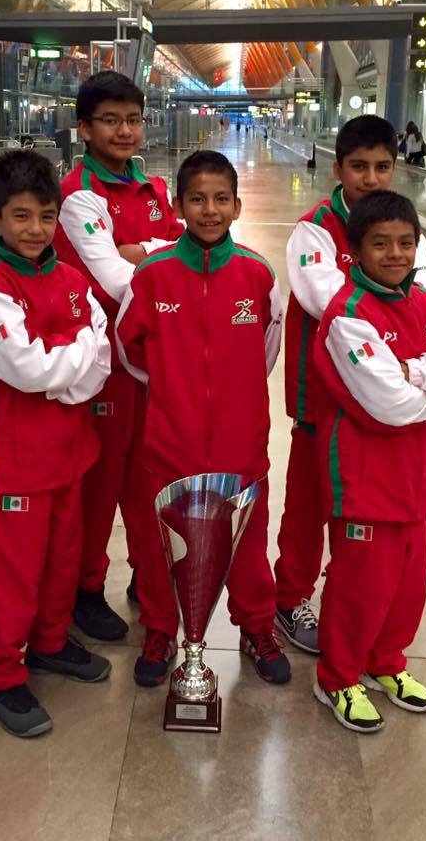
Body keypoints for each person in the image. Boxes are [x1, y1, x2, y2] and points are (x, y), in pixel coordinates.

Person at [116, 150, 291, 687]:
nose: (209, 210)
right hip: (171, 442)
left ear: (237, 206)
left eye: (220, 199)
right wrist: (174, 389)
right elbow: (128, 350)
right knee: (158, 542)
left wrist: (234, 397)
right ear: (178, 205)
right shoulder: (151, 275)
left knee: (246, 544)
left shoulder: (258, 275)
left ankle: (257, 626)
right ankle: (162, 628)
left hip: (241, 444)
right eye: (197, 199)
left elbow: (267, 348)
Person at [312, 190, 426, 733]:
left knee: (408, 587)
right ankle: (338, 677)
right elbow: (390, 405)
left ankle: (386, 663)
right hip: (365, 483)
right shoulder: (347, 316)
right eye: (380, 244)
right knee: (361, 586)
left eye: (406, 243)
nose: (395, 254)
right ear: (355, 250)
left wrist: (414, 372)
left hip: (417, 479)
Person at [0, 150, 112, 738]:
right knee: (13, 573)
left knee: (60, 561)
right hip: (14, 460)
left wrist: (62, 364)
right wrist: (67, 364)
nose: (35, 230)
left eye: (46, 217)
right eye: (21, 216)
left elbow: (102, 355)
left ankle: (49, 643)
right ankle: (1, 674)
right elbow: (25, 368)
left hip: (69, 450)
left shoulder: (71, 279)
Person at [275, 116, 426, 655]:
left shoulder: (400, 228)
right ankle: (290, 597)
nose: (371, 178)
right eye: (359, 167)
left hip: (379, 407)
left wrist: (416, 361)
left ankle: (356, 613)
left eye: (382, 167)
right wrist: (412, 354)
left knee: (361, 521)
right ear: (337, 167)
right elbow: (335, 309)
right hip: (321, 403)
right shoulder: (315, 229)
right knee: (307, 508)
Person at [53, 71, 183, 641]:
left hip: (148, 358)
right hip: (99, 363)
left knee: (146, 474)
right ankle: (85, 587)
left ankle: (145, 572)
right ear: (84, 128)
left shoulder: (153, 188)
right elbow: (110, 277)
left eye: (133, 119)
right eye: (110, 120)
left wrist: (141, 250)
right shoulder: (80, 193)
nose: (125, 130)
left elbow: (177, 252)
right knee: (100, 480)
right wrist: (152, 256)